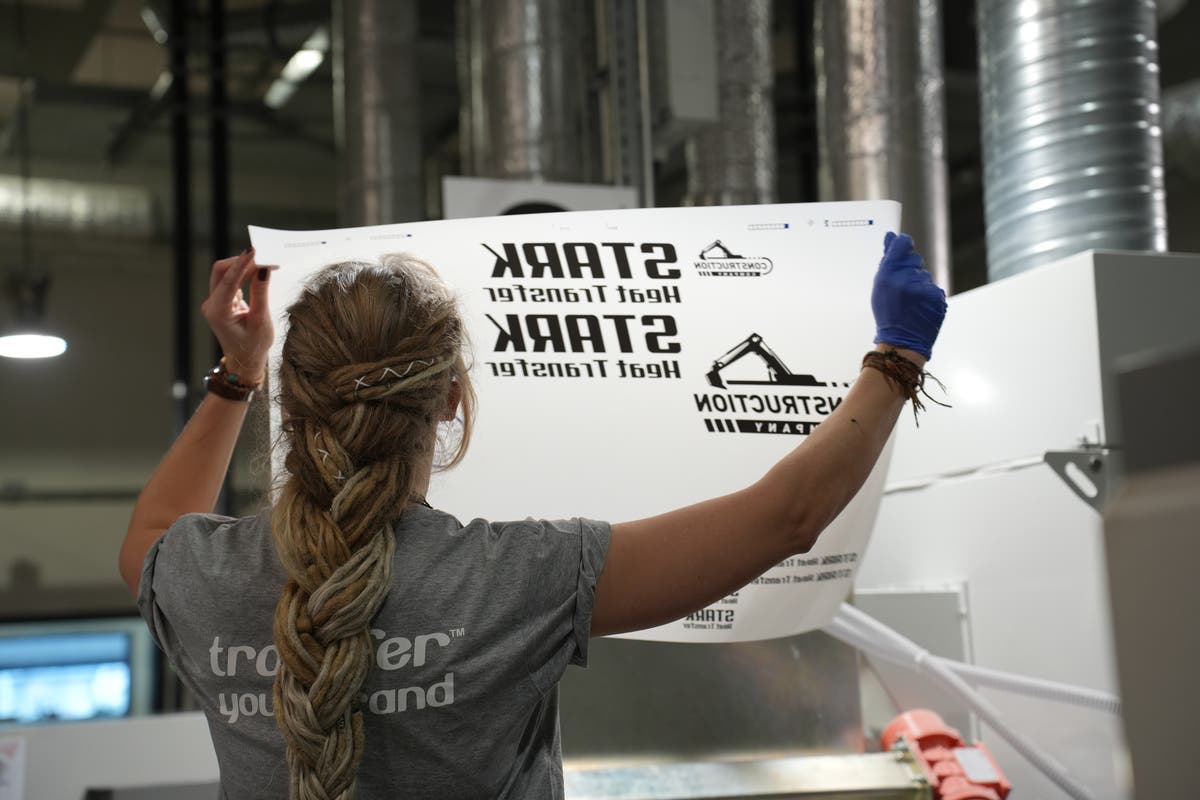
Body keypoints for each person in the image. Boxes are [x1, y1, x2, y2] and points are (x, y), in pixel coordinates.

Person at [119, 231, 946, 800]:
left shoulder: (200, 576)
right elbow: (787, 518)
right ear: (449, 399)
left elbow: (148, 535)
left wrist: (237, 371)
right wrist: (896, 353)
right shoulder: (522, 579)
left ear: (290, 404)